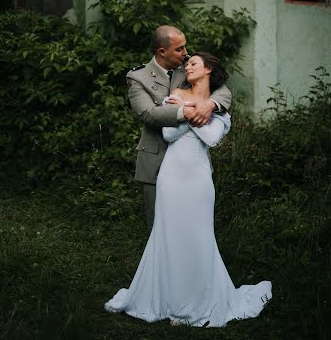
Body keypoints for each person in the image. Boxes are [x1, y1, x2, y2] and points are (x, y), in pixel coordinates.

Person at [105, 53, 272, 327]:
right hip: (170, 176)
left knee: (199, 236)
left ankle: (199, 299)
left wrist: (187, 110)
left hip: (198, 179)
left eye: (194, 63)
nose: (187, 65)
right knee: (167, 235)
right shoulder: (177, 94)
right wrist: (190, 112)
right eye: (187, 62)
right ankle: (166, 298)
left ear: (208, 69)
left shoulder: (215, 104)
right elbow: (168, 135)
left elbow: (212, 137)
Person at [126, 25, 231, 230]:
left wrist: (210, 105)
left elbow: (223, 89)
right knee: (159, 227)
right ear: (161, 52)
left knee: (193, 224)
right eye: (179, 49)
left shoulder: (188, 66)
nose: (185, 53)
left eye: (185, 47)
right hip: (155, 158)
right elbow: (147, 113)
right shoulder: (138, 77)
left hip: (191, 161)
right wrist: (186, 112)